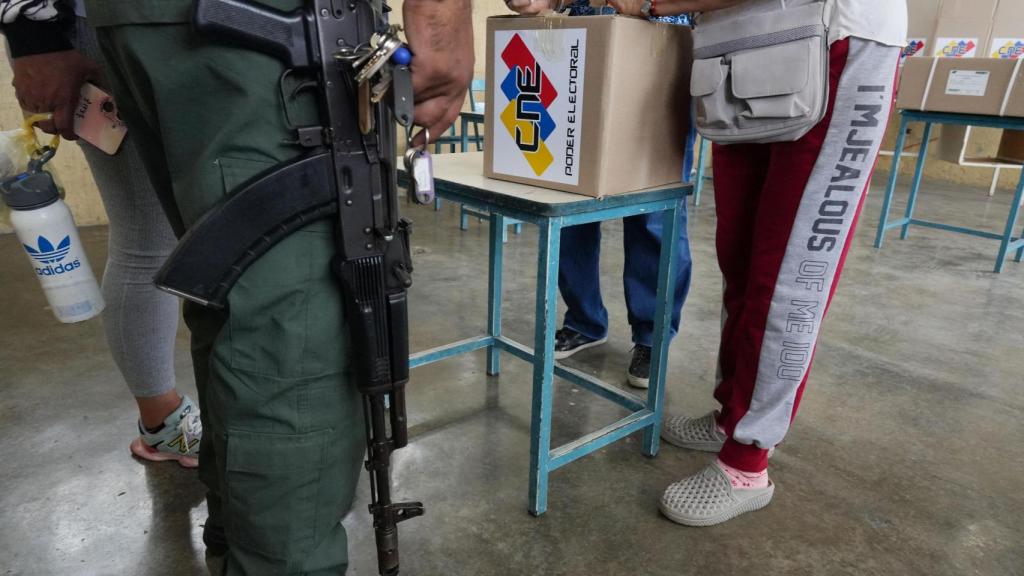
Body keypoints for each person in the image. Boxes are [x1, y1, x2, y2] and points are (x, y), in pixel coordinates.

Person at [59, 0, 465, 573]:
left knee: (234, 306)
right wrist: (443, 21)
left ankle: (234, 549)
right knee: (295, 356)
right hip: (279, 34)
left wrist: (37, 31)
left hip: (142, 26)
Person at [604, 0, 907, 526]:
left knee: (788, 275)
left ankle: (748, 462)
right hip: (740, 48)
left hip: (835, 39)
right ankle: (731, 414)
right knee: (740, 262)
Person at [2, 1, 201, 467]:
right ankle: (163, 425)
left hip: (243, 22)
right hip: (104, 21)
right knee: (148, 238)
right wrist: (36, 39)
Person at [505, 0, 695, 391]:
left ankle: (651, 337)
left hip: (657, 47)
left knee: (653, 214)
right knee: (569, 204)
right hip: (579, 50)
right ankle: (584, 321)